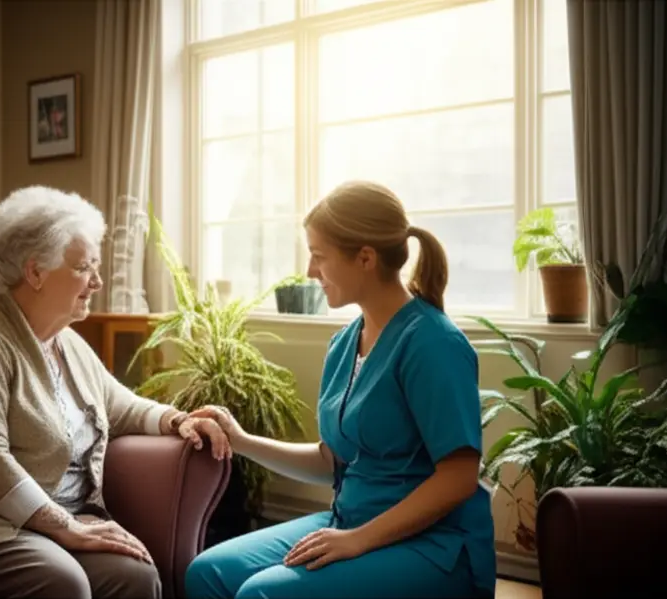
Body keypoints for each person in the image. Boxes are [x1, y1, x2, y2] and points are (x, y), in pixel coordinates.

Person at [0, 185, 232, 599]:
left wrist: (177, 420)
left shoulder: (65, 341)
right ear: (35, 273)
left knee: (135, 576)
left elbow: (118, 405)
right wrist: (64, 527)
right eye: (84, 267)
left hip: (49, 515)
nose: (97, 281)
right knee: (61, 584)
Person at [184, 180, 496, 599]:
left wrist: (359, 540)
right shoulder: (345, 343)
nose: (311, 272)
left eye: (318, 256)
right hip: (348, 522)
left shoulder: (433, 343)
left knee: (261, 595)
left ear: (365, 258)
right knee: (207, 572)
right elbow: (331, 460)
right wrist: (239, 441)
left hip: (433, 545)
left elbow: (458, 478)